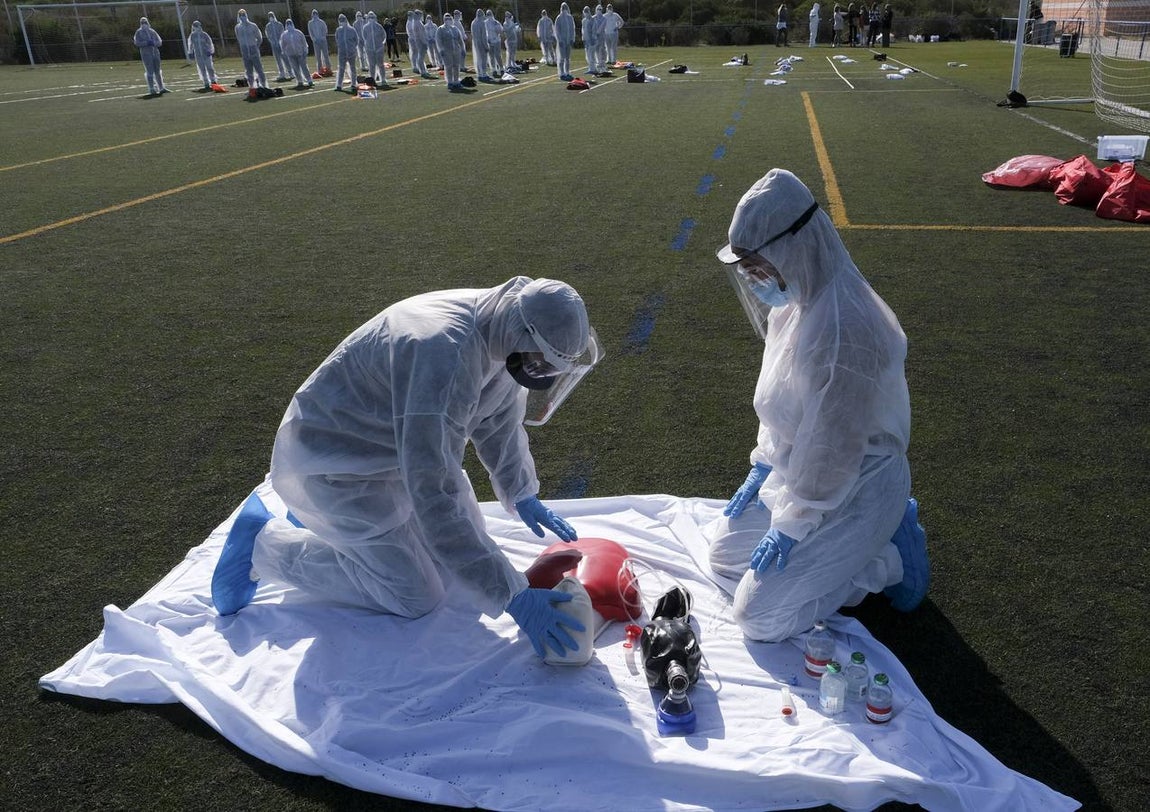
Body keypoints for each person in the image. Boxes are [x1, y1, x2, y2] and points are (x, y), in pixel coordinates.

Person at [210, 278, 603, 662]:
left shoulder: (499, 328)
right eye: (539, 362)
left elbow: (497, 419)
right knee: (415, 594)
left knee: (457, 562)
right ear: (521, 330)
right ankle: (264, 547)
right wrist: (514, 597)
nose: (539, 374)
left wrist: (521, 491)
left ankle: (341, 532)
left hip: (393, 453)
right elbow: (434, 492)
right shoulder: (444, 354)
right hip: (336, 465)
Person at [706, 168, 928, 643]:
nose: (752, 278)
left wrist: (793, 522)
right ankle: (850, 550)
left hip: (858, 484)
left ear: (792, 249)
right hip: (804, 472)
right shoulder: (795, 305)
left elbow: (834, 448)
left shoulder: (847, 330)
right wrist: (763, 465)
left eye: (756, 265)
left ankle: (884, 558)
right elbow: (780, 402)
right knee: (723, 557)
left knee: (759, 617)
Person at [133, 17, 169, 96]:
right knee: (149, 71)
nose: (144, 24)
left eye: (145, 22)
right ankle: (151, 88)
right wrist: (146, 43)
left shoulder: (152, 31)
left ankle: (161, 88)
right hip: (146, 54)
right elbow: (137, 43)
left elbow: (159, 42)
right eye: (142, 23)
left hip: (155, 53)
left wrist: (154, 43)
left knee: (157, 71)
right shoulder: (139, 32)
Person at [235, 10, 268, 92]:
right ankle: (252, 87)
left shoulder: (253, 26)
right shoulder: (238, 27)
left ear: (246, 15)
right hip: (245, 52)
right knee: (249, 71)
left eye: (243, 14)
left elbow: (259, 38)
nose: (242, 16)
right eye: (240, 15)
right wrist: (243, 48)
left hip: (253, 50)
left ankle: (264, 86)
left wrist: (255, 47)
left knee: (259, 69)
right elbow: (239, 39)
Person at [437, 11, 469, 91]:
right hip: (447, 51)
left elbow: (460, 39)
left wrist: (463, 49)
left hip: (456, 50)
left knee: (456, 66)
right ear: (444, 19)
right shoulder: (440, 29)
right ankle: (450, 82)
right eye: (446, 18)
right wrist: (441, 49)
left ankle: (456, 81)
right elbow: (438, 40)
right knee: (448, 67)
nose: (448, 20)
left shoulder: (455, 29)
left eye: (449, 18)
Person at [280, 19, 314, 90]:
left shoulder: (298, 32)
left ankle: (309, 80)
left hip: (300, 53)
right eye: (287, 23)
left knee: (304, 67)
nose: (289, 25)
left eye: (290, 23)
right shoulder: (284, 35)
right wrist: (284, 52)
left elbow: (304, 42)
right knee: (295, 68)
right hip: (291, 54)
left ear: (292, 24)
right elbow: (282, 45)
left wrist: (305, 50)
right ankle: (299, 81)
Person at [187, 20, 218, 91]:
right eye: (196, 26)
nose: (198, 27)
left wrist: (210, 51)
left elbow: (210, 43)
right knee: (202, 69)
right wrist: (190, 52)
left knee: (210, 68)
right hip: (198, 55)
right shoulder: (192, 35)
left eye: (198, 25)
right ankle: (206, 83)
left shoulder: (204, 34)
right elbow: (190, 44)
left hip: (206, 55)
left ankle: (213, 81)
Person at [333, 13, 358, 92]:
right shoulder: (338, 30)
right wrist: (341, 48)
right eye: (340, 20)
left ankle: (353, 84)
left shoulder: (352, 30)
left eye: (343, 20)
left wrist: (352, 48)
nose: (342, 21)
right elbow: (337, 40)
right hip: (342, 53)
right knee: (341, 69)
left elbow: (356, 40)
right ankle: (339, 85)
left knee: (353, 68)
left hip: (351, 53)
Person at [361, 11, 387, 85]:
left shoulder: (379, 26)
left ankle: (383, 79)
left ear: (375, 18)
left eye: (372, 17)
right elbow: (364, 37)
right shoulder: (365, 27)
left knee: (380, 64)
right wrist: (368, 46)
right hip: (370, 49)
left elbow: (384, 35)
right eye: (370, 17)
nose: (371, 19)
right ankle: (372, 79)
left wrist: (381, 45)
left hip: (379, 48)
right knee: (371, 65)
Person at [265, 12, 291, 81]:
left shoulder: (279, 24)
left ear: (274, 16)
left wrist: (280, 42)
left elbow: (282, 33)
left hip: (281, 44)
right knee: (278, 60)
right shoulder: (268, 26)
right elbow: (268, 35)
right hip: (274, 45)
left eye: (271, 15)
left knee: (285, 58)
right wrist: (273, 42)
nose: (271, 17)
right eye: (269, 16)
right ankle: (282, 73)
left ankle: (290, 72)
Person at [555, 2, 576, 80]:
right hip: (562, 41)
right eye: (563, 7)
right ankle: (561, 73)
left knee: (567, 58)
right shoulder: (559, 18)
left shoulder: (570, 17)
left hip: (568, 41)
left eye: (565, 7)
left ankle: (567, 72)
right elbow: (557, 30)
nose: (564, 9)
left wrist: (572, 39)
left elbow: (572, 29)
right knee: (562, 58)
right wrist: (560, 40)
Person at [308, 10, 330, 74]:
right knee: (318, 56)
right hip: (316, 42)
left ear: (317, 14)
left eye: (315, 13)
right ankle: (320, 70)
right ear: (312, 15)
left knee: (326, 55)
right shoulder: (310, 23)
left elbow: (325, 30)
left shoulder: (322, 22)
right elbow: (310, 32)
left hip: (323, 41)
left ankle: (328, 68)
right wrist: (314, 39)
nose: (314, 15)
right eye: (313, 14)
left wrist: (323, 37)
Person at [471, 9, 491, 81]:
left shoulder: (473, 22)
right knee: (483, 59)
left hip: (475, 42)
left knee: (478, 59)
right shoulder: (482, 23)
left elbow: (472, 34)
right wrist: (486, 46)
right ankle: (484, 74)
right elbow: (484, 36)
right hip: (481, 43)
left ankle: (479, 74)